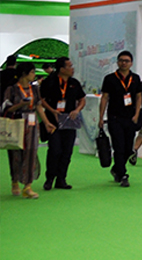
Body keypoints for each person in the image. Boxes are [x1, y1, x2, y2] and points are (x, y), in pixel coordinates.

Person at [3, 63, 53, 199]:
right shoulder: (12, 89)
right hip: (16, 122)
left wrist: (46, 123)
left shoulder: (35, 89)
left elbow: (38, 106)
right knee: (15, 153)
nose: (34, 75)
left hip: (32, 123)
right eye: (32, 72)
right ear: (24, 74)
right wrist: (21, 104)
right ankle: (15, 180)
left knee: (31, 152)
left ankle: (28, 186)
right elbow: (6, 108)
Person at [39, 56, 86, 191]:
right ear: (61, 69)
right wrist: (52, 110)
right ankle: (50, 178)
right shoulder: (49, 82)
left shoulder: (74, 83)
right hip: (53, 121)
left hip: (69, 121)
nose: (72, 69)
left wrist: (77, 110)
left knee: (67, 151)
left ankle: (61, 179)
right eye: (69, 66)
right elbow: (41, 99)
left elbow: (82, 99)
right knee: (55, 150)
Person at [98, 51, 141, 187]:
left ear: (131, 63)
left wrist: (137, 114)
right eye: (121, 60)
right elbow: (105, 98)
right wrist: (101, 117)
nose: (124, 63)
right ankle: (122, 174)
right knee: (119, 146)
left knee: (129, 148)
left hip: (130, 118)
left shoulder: (135, 78)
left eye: (126, 61)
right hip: (114, 117)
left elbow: (139, 96)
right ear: (117, 62)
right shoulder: (110, 78)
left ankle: (117, 168)